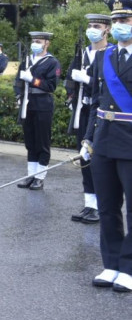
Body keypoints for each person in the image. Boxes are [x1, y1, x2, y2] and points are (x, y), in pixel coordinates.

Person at [82, 0, 132, 292]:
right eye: (115, 22)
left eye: (124, 20)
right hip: (104, 140)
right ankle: (111, 264)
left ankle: (129, 267)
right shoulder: (104, 57)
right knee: (107, 207)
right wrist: (88, 137)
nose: (119, 26)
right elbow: (95, 102)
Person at [67, 14, 112, 223]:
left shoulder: (110, 54)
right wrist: (71, 94)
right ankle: (89, 204)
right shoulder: (83, 53)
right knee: (84, 157)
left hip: (102, 113)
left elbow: (108, 84)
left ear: (107, 30)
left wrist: (88, 79)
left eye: (96, 26)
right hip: (83, 110)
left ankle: (100, 206)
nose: (92, 29)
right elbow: (69, 78)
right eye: (90, 26)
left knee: (98, 162)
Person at [14, 31, 60, 190]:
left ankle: (40, 177)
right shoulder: (27, 60)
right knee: (30, 141)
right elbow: (18, 80)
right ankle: (30, 176)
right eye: (34, 40)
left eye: (39, 41)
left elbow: (51, 85)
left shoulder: (52, 62)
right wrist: (18, 95)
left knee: (42, 141)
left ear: (47, 43)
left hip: (42, 103)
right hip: (28, 102)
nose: (35, 43)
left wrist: (33, 79)